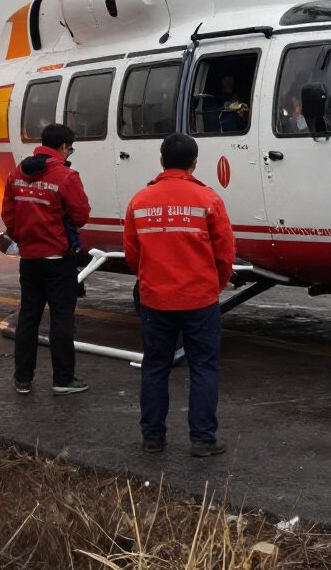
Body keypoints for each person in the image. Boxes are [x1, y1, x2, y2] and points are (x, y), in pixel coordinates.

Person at [123, 132, 235, 457]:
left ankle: (152, 438)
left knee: (155, 366)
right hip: (199, 299)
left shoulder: (140, 201)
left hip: (155, 299)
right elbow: (225, 254)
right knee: (203, 366)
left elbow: (132, 252)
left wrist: (149, 280)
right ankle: (202, 439)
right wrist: (214, 285)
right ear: (194, 162)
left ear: (161, 161)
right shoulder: (208, 200)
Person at [1, 123, 91, 396]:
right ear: (64, 147)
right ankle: (63, 379)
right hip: (57, 259)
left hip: (29, 258)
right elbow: (81, 215)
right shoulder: (65, 175)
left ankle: (23, 379)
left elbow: (8, 212)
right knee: (62, 319)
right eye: (70, 148)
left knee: (28, 316)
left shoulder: (17, 173)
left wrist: (22, 237)